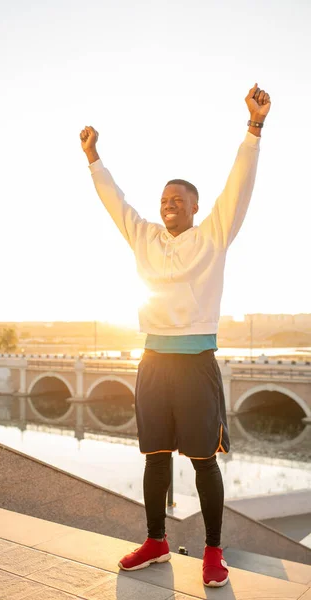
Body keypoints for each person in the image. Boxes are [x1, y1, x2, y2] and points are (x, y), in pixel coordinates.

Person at [80, 83, 271, 587]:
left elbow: (238, 186)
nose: (168, 205)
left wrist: (253, 129)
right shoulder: (144, 237)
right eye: (164, 199)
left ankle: (212, 551)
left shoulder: (213, 236)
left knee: (204, 462)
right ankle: (156, 541)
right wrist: (94, 159)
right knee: (154, 456)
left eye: (178, 199)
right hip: (153, 364)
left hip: (195, 364)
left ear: (194, 207)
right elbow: (115, 202)